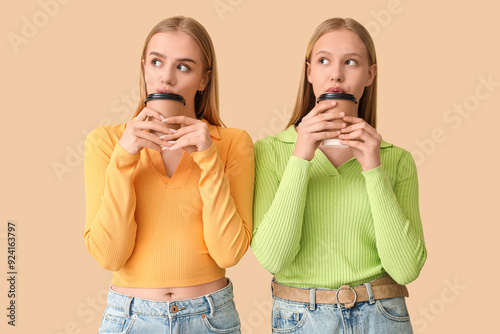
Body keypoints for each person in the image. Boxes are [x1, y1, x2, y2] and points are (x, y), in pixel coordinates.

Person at [251, 17, 426, 333]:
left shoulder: (396, 160)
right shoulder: (270, 151)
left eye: (351, 62)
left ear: (370, 74)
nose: (336, 74)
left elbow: (405, 268)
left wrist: (373, 169)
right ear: (309, 72)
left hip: (382, 316)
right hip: (300, 319)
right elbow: (274, 259)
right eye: (323, 61)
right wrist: (302, 155)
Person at [84, 16, 253, 334]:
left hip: (211, 316)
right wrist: (125, 158)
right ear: (144, 68)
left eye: (184, 67)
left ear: (204, 80)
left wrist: (208, 158)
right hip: (129, 319)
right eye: (157, 62)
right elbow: (110, 256)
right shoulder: (106, 143)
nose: (166, 77)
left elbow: (228, 252)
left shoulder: (232, 143)